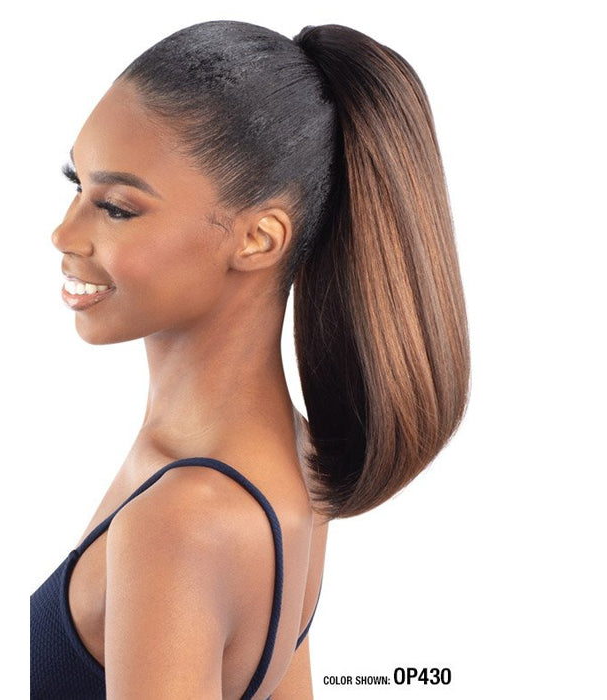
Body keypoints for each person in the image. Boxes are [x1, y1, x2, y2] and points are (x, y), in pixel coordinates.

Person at [30, 19, 470, 699]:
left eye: (116, 208)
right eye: (75, 183)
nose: (64, 232)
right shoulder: (294, 459)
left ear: (259, 239)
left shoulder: (185, 519)